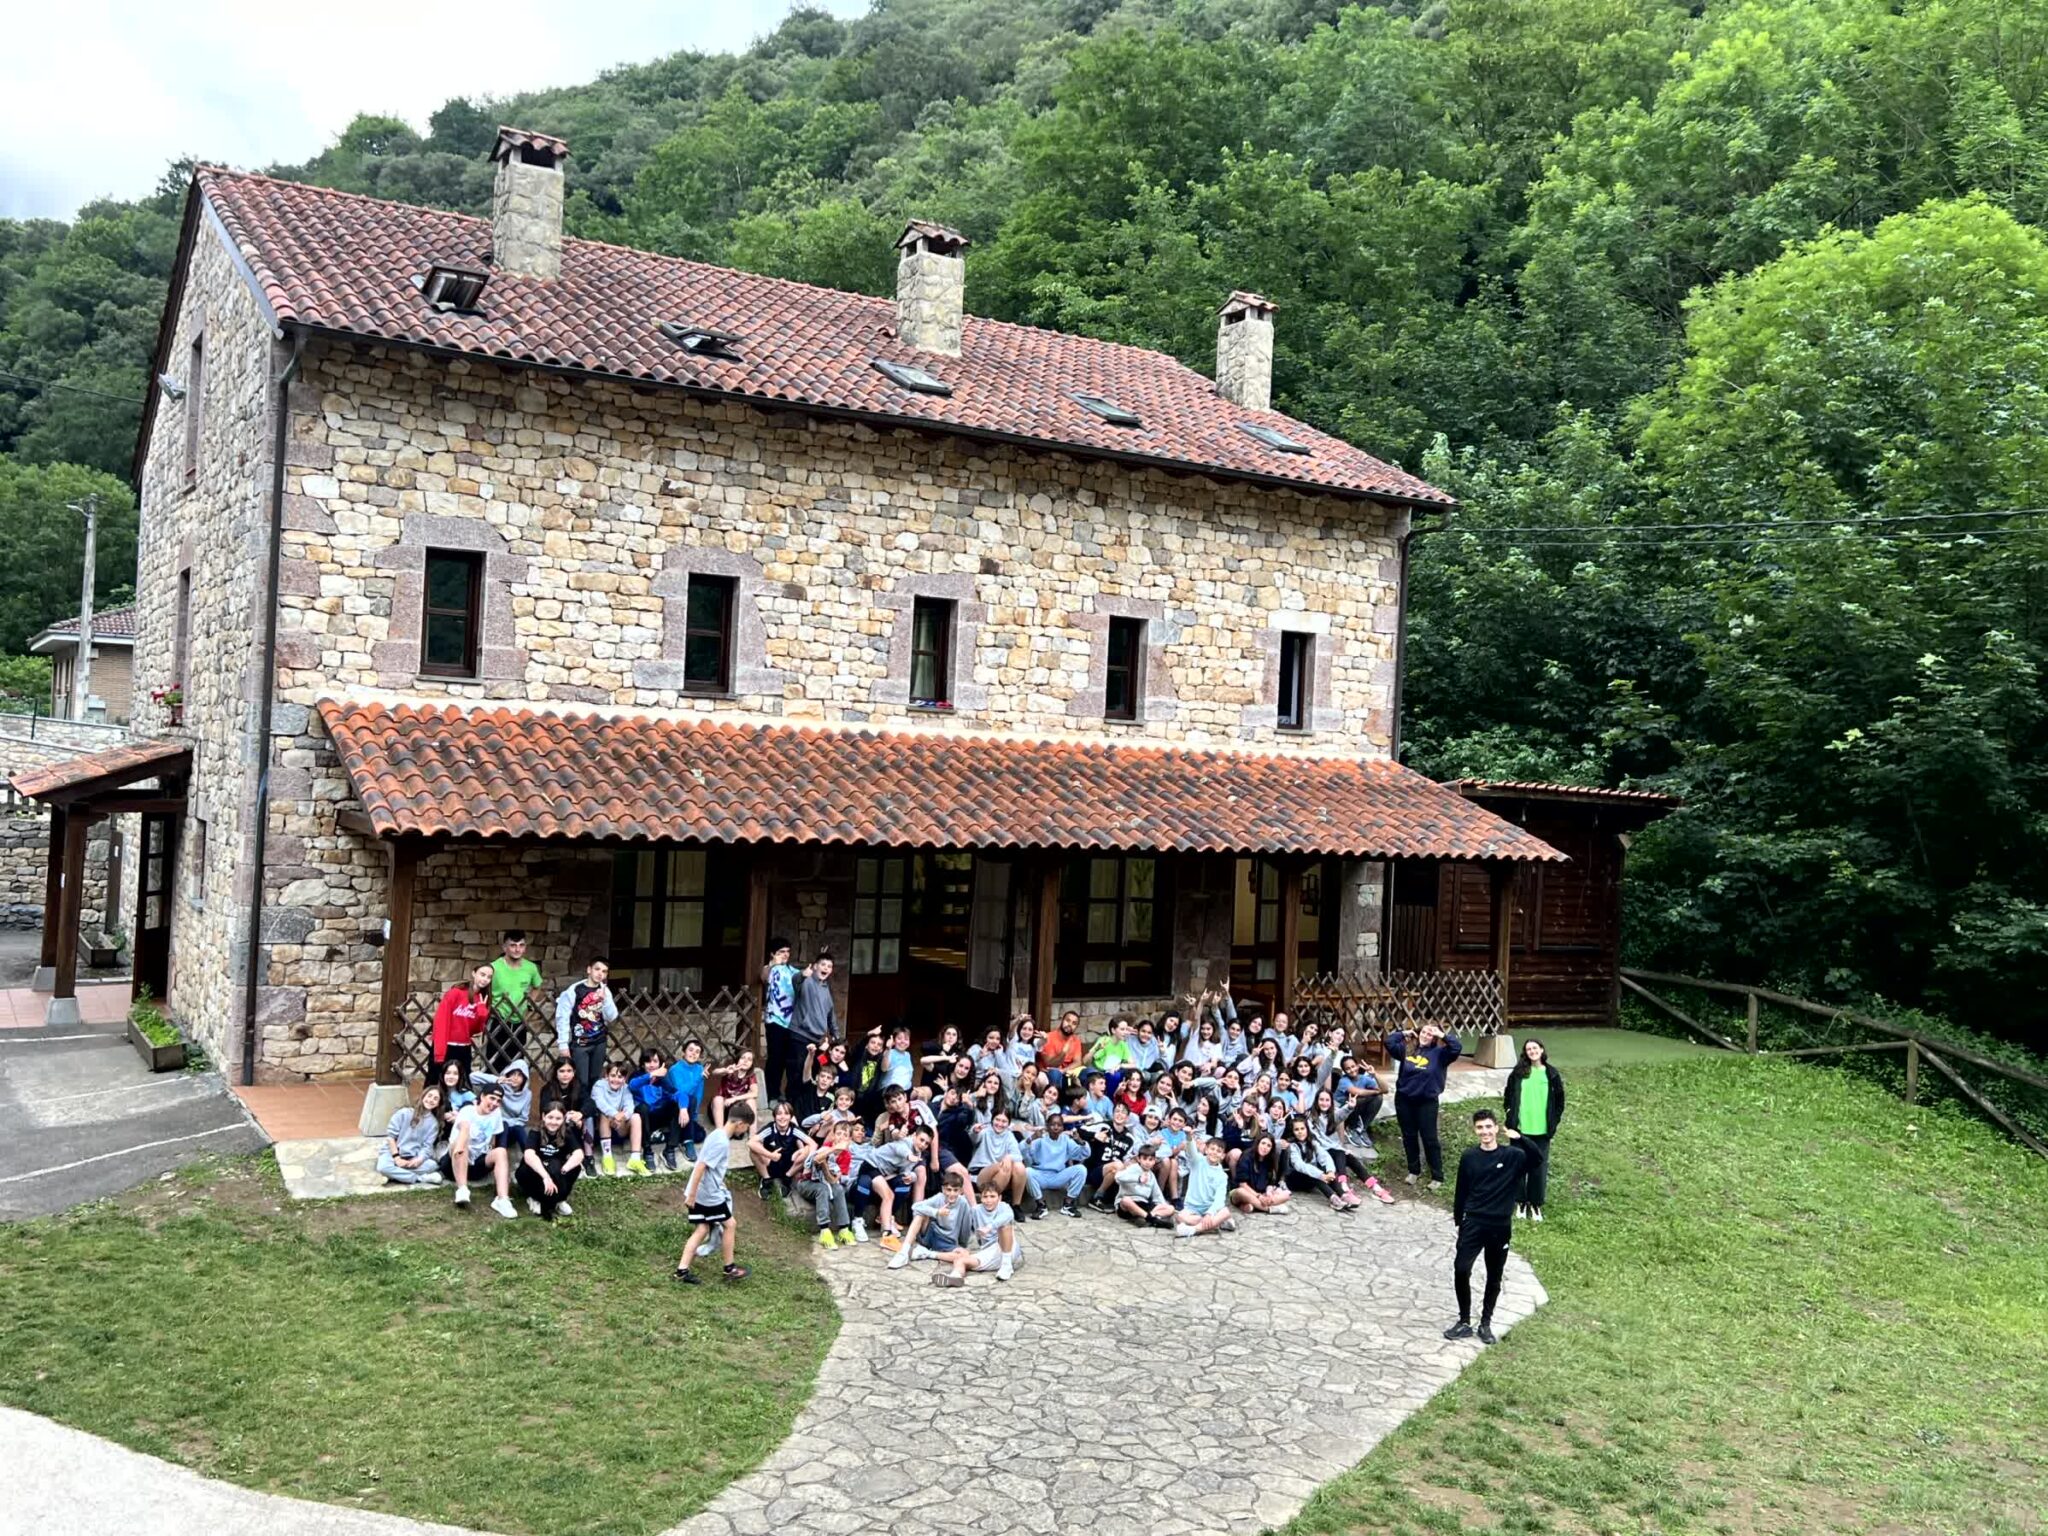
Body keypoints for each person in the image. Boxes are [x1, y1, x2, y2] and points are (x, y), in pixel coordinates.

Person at [1446, 1109, 1527, 1345]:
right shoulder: (1469, 1156)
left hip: (1499, 1225)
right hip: (1473, 1222)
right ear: (1475, 1130)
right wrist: (1459, 1220)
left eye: (1488, 1127)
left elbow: (1537, 1159)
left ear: (1496, 1128)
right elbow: (1461, 1189)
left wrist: (1520, 1138)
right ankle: (1463, 1322)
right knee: (1461, 1269)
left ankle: (1485, 1323)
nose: (1485, 1132)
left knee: (1494, 1275)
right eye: (1480, 1128)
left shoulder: (1512, 1155)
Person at [673, 1101, 755, 1284]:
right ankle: (729, 1268)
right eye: (746, 1128)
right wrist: (692, 1195)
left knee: (702, 1229)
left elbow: (708, 1167)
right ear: (740, 1124)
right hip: (707, 1194)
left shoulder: (717, 1134)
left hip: (701, 1191)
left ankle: (682, 1271)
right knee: (730, 1224)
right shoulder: (721, 1142)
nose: (744, 1132)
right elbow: (701, 1166)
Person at [1387, 1022, 1462, 1188]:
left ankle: (1437, 1175)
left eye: (1431, 1034)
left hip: (1426, 1101)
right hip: (1404, 1099)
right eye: (1424, 1032)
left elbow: (1457, 1047)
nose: (1426, 1035)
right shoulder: (1407, 1050)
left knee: (1429, 1138)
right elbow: (1389, 1042)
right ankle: (1414, 1171)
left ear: (1435, 1038)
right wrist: (1404, 1032)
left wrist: (1443, 1035)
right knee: (1409, 1136)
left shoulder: (1441, 1054)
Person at [1503, 1037, 1565, 1221]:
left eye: (1535, 1048)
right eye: (1528, 1049)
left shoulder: (1551, 1074)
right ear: (1525, 1053)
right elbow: (1508, 1094)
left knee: (1539, 1169)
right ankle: (1520, 1202)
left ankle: (1535, 1204)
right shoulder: (1519, 1072)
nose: (1532, 1051)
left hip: (1542, 1131)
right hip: (1520, 1129)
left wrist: (1554, 1120)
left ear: (1542, 1050)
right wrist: (1509, 1112)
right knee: (1518, 1166)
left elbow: (1560, 1101)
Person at [552, 959, 618, 1114]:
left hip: (599, 1041)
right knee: (581, 1080)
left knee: (595, 1079)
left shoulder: (604, 991)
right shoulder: (575, 990)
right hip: (580, 1042)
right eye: (597, 969)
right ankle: (578, 1113)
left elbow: (612, 1016)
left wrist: (604, 1000)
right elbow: (563, 1016)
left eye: (604, 971)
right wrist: (563, 1044)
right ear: (589, 970)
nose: (600, 974)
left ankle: (592, 1114)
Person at [442, 1082, 516, 1218]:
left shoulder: (496, 1114)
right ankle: (462, 1189)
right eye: (492, 1098)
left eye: (498, 1101)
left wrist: (492, 1157)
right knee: (461, 1142)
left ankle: (502, 1200)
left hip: (476, 1165)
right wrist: (460, 1149)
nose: (494, 1103)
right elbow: (464, 1130)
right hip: (454, 1163)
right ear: (482, 1096)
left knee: (501, 1151)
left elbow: (492, 1141)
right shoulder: (468, 1110)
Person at [931, 1181, 1024, 1286]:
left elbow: (1008, 1216)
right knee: (960, 1260)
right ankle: (955, 1277)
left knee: (1004, 1226)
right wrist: (960, 1246)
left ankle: (1007, 1266)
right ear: (981, 1198)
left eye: (992, 1196)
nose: (988, 1200)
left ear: (999, 1198)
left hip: (1007, 1249)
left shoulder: (1004, 1207)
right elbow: (965, 1226)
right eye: (985, 1197)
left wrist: (990, 1227)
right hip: (989, 1252)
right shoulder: (976, 1210)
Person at [886, 1167, 981, 1269]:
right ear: (943, 1189)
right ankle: (903, 1252)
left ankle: (928, 1253)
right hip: (931, 1235)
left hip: (948, 1242)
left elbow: (965, 1226)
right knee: (920, 1213)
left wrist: (962, 1245)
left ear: (961, 1191)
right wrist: (936, 1212)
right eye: (948, 1190)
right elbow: (915, 1207)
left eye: (955, 1190)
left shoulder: (963, 1203)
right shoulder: (939, 1198)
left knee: (964, 1256)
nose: (951, 1193)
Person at [517, 1101, 585, 1220]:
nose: (553, 1122)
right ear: (543, 1116)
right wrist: (545, 1176)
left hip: (556, 1171)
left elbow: (579, 1154)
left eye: (558, 1118)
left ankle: (560, 1199)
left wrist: (563, 1170)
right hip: (537, 1172)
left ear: (563, 1118)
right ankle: (534, 1198)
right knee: (527, 1169)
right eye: (550, 1117)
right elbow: (529, 1155)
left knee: (574, 1167)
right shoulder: (535, 1132)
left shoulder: (567, 1133)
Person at [796, 1120, 858, 1249]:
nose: (841, 1137)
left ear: (849, 1140)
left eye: (845, 1135)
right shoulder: (827, 1147)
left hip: (827, 1182)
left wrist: (825, 1166)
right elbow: (816, 1159)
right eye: (838, 1133)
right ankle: (824, 1230)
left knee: (839, 1189)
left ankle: (844, 1229)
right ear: (833, 1135)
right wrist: (833, 1149)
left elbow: (834, 1180)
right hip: (807, 1183)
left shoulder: (846, 1156)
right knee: (822, 1189)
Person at [1022, 1110, 1091, 1219]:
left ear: (1063, 1128)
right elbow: (1022, 1151)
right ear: (1047, 1126)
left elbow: (1084, 1154)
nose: (1056, 1127)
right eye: (1052, 1124)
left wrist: (1080, 1141)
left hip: (1059, 1176)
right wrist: (1032, 1138)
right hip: (1041, 1176)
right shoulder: (1040, 1139)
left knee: (1081, 1169)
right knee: (1027, 1172)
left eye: (1059, 1125)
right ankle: (1041, 1205)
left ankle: (1068, 1204)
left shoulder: (1066, 1140)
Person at [789, 949, 839, 1094]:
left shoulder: (826, 988)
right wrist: (802, 975)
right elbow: (795, 981)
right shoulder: (807, 981)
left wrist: (835, 1034)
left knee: (820, 1068)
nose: (826, 969)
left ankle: (811, 1102)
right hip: (800, 1036)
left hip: (819, 1040)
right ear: (815, 966)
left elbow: (830, 1013)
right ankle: (792, 1107)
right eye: (823, 965)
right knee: (798, 1072)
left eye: (829, 966)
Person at [430, 963, 494, 1075]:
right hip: (446, 1046)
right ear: (474, 973)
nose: (485, 979)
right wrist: (440, 1053)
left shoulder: (482, 998)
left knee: (462, 1084)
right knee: (436, 1083)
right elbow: (441, 1023)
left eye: (489, 977)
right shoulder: (455, 993)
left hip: (464, 1048)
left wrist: (482, 1012)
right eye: (482, 974)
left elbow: (476, 1030)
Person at [762, 937, 803, 1104]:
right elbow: (763, 977)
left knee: (790, 1060)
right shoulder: (769, 969)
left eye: (787, 951)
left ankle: (787, 1095)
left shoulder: (793, 971)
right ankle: (772, 1094)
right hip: (774, 1020)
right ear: (773, 954)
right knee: (775, 1059)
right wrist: (773, 963)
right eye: (781, 952)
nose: (785, 954)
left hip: (792, 1022)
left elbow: (802, 980)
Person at [378, 1084, 445, 1185]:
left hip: (412, 1156)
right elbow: (391, 1137)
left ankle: (392, 1174)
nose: (431, 1100)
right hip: (393, 1153)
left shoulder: (433, 1123)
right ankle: (421, 1178)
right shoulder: (404, 1113)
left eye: (435, 1099)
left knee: (432, 1165)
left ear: (438, 1104)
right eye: (429, 1096)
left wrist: (419, 1159)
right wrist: (397, 1158)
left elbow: (427, 1147)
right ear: (423, 1096)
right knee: (383, 1167)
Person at [589, 1059, 646, 1176]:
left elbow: (629, 1106)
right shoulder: (599, 1085)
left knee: (636, 1117)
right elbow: (600, 1103)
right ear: (606, 1076)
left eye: (620, 1077)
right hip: (602, 1129)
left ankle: (635, 1159)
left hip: (620, 1127)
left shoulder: (626, 1088)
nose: (616, 1079)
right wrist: (615, 1114)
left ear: (624, 1079)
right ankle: (607, 1157)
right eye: (613, 1075)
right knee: (605, 1114)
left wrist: (623, 1116)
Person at [628, 1049, 682, 1171]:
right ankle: (647, 1151)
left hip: (659, 1117)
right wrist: (652, 1075)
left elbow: (676, 1093)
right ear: (642, 1064)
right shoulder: (637, 1076)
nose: (652, 1065)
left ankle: (669, 1150)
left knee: (675, 1105)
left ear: (660, 1063)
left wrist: (683, 1108)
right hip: (642, 1119)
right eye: (648, 1062)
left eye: (655, 1061)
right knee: (642, 1107)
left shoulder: (662, 1079)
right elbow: (632, 1085)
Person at [489, 930, 544, 1050]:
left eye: (521, 945)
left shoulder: (531, 968)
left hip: (520, 1020)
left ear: (525, 948)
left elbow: (537, 986)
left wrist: (529, 1004)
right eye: (513, 945)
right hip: (498, 1019)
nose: (517, 949)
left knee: (517, 1060)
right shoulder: (494, 967)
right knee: (494, 1061)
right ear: (504, 947)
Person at [749, 1098, 809, 1202]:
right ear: (774, 1117)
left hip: (788, 1165)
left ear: (791, 1117)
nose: (782, 1117)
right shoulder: (770, 1128)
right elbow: (750, 1142)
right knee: (754, 1149)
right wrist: (769, 1155)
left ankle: (787, 1180)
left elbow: (813, 1144)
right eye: (779, 1114)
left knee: (808, 1149)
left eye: (786, 1114)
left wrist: (801, 1152)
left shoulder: (794, 1129)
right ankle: (766, 1180)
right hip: (770, 1164)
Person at [472, 1060, 536, 1156]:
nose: (515, 1078)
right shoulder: (500, 1088)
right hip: (497, 1128)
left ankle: (530, 1157)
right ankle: (500, 1156)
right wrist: (497, 1080)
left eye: (519, 1075)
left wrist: (510, 1122)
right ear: (508, 1074)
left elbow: (523, 1119)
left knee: (519, 1129)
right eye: (513, 1074)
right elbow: (472, 1077)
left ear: (525, 1078)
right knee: (504, 1124)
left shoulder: (527, 1094)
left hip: (514, 1128)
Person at [1175, 1137, 1236, 1238]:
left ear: (1223, 1156)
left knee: (1225, 1211)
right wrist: (1189, 1137)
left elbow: (1219, 1199)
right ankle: (1216, 1223)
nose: (1215, 1153)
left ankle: (1193, 1230)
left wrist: (1210, 1213)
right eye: (1212, 1149)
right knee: (1180, 1217)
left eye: (1219, 1151)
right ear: (1206, 1149)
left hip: (1210, 1208)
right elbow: (1191, 1151)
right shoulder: (1197, 1161)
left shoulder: (1222, 1176)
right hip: (1192, 1208)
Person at [1228, 1130, 1291, 1215]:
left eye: (1269, 1146)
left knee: (1287, 1194)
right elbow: (1242, 1184)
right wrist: (1259, 1196)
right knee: (1241, 1191)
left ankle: (1252, 1205)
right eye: (1263, 1143)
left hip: (1261, 1193)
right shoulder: (1247, 1156)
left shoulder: (1270, 1160)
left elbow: (1270, 1182)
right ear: (1258, 1143)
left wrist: (1269, 1192)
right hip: (1245, 1192)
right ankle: (1269, 1209)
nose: (1265, 1147)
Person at [1114, 1145, 1176, 1228]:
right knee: (1125, 1200)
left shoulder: (1151, 1176)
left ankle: (1143, 1217)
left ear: (1154, 1161)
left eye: (1150, 1160)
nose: (1147, 1162)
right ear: (1139, 1159)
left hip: (1143, 1204)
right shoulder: (1133, 1168)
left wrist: (1164, 1206)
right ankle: (1151, 1219)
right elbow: (1118, 1177)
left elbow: (1157, 1195)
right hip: (1129, 1204)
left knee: (1170, 1208)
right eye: (1144, 1159)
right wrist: (1138, 1179)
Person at [670, 1038, 709, 1157]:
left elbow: (698, 1094)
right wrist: (699, 1078)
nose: (693, 1053)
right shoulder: (675, 1069)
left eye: (697, 1052)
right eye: (690, 1050)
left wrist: (694, 1115)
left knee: (701, 1135)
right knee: (688, 1098)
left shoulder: (700, 1069)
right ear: (683, 1052)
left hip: (690, 1111)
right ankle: (687, 1141)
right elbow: (683, 1092)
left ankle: (671, 1136)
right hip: (676, 1108)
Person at [712, 1047, 763, 1131]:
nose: (745, 1061)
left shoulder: (751, 1076)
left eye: (749, 1059)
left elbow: (755, 1093)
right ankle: (720, 1134)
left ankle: (753, 1134)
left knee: (751, 1100)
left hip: (737, 1113)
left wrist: (734, 1098)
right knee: (718, 1098)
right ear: (737, 1059)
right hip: (722, 1110)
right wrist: (725, 1070)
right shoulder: (731, 1070)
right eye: (743, 1058)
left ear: (752, 1064)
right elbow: (714, 1072)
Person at [1036, 1012, 1084, 1089]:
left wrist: (1064, 1070)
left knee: (1087, 1072)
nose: (1070, 1024)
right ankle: (1056, 1100)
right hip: (1049, 1073)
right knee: (1055, 1073)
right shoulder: (1049, 1037)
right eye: (1067, 1020)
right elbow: (1051, 1064)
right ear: (1062, 1021)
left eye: (1074, 1023)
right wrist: (1063, 1052)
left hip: (1066, 1072)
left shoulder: (1075, 1040)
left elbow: (1078, 1062)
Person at [920, 1025, 965, 1091]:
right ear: (943, 1035)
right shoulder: (936, 1045)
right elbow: (923, 1046)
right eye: (948, 1034)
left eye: (954, 1035)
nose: (951, 1037)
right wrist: (941, 1048)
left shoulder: (958, 1052)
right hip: (929, 1082)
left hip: (944, 1085)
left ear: (957, 1038)